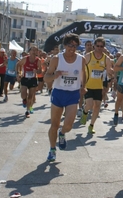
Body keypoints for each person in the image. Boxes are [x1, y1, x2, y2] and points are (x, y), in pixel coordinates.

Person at [44, 34, 87, 162]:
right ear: (64, 45)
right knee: (54, 124)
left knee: (68, 125)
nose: (72, 48)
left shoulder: (81, 59)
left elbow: (83, 74)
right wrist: (55, 75)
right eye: (70, 45)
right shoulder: (56, 59)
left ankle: (62, 133)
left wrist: (83, 86)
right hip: (58, 93)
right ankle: (52, 149)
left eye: (75, 46)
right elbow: (46, 77)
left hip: (72, 94)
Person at [80, 37, 112, 134]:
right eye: (97, 46)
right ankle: (85, 112)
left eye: (101, 46)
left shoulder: (106, 59)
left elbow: (109, 71)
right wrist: (82, 83)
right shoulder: (88, 56)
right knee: (89, 104)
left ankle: (91, 125)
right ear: (94, 46)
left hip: (99, 86)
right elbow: (81, 69)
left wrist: (113, 74)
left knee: (97, 106)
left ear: (104, 47)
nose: (99, 48)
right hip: (88, 85)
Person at [16, 46, 42, 117]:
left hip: (33, 79)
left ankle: (28, 111)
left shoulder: (38, 60)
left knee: (30, 96)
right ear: (29, 51)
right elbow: (18, 64)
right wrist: (18, 73)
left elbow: (40, 71)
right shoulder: (25, 59)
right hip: (25, 78)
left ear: (37, 52)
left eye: (35, 50)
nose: (34, 52)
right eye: (32, 50)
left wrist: (37, 71)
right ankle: (24, 100)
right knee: (23, 94)